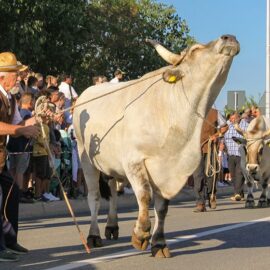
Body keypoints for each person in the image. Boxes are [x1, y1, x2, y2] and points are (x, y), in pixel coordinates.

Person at [0, 52, 39, 261]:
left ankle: (10, 240)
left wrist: (37, 120)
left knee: (13, 191)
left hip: (0, 159)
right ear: (2, 77)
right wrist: (21, 131)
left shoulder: (12, 99)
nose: (18, 78)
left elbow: (19, 124)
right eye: (15, 74)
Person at [193, 108, 228, 212]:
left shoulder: (215, 112)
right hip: (196, 150)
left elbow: (225, 127)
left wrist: (216, 135)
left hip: (211, 148)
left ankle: (212, 195)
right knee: (198, 176)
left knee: (211, 175)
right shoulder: (192, 111)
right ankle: (200, 203)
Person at [7, 92, 35, 203]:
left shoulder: (17, 109)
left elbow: (17, 126)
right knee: (19, 172)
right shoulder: (27, 114)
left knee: (13, 170)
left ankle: (13, 193)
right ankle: (17, 193)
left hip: (11, 146)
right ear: (30, 102)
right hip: (21, 147)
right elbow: (24, 131)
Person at [224, 111, 249, 201]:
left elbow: (249, 138)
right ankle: (241, 194)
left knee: (239, 173)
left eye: (234, 119)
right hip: (230, 154)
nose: (232, 120)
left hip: (241, 153)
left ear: (239, 118)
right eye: (231, 119)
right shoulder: (228, 124)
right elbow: (222, 132)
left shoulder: (245, 125)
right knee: (233, 175)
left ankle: (237, 193)